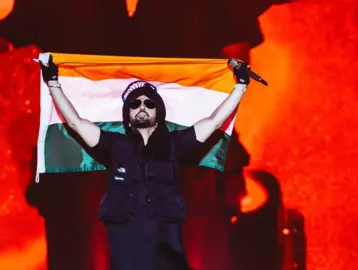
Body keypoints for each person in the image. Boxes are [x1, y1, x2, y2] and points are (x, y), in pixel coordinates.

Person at [38, 55, 251, 270]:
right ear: (127, 114)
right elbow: (76, 123)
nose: (141, 107)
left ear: (158, 114)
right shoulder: (114, 145)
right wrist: (54, 84)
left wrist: (240, 86)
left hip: (166, 242)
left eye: (149, 104)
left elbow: (213, 122)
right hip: (127, 243)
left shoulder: (173, 144)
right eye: (135, 104)